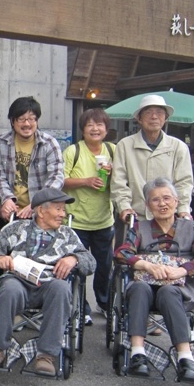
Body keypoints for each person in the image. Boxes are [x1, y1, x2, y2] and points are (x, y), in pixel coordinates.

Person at [0, 188, 95, 376]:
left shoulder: (68, 235)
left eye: (63, 210)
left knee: (61, 289)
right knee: (9, 289)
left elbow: (91, 262)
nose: (63, 214)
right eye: (58, 209)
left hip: (50, 285)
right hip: (18, 281)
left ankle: (46, 355)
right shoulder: (17, 229)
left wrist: (74, 258)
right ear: (41, 211)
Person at [114, 178, 194, 383]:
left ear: (176, 201)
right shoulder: (139, 228)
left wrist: (182, 270)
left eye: (167, 198)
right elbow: (122, 253)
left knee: (168, 292)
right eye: (155, 200)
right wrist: (147, 265)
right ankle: (137, 354)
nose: (162, 204)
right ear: (148, 205)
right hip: (146, 288)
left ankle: (185, 358)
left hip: (180, 290)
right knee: (139, 288)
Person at [111, 94, 193, 243]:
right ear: (139, 118)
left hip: (168, 218)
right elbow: (119, 182)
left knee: (169, 255)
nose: (154, 116)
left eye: (159, 113)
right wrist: (124, 207)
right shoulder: (125, 145)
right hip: (135, 217)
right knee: (127, 255)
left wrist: (183, 209)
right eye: (148, 112)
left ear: (165, 118)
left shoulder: (178, 147)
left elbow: (184, 183)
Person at [62, 108, 115, 323]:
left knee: (104, 266)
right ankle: (81, 307)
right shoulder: (73, 151)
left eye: (99, 124)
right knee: (79, 267)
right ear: (83, 129)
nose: (95, 129)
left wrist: (113, 172)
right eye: (89, 125)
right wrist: (86, 181)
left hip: (104, 219)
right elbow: (61, 180)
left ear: (106, 129)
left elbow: (124, 178)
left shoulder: (113, 150)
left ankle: (104, 303)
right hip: (77, 220)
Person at [0, 96, 64, 223]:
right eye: (21, 119)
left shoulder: (49, 143)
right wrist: (7, 199)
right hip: (12, 211)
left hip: (41, 212)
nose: (27, 124)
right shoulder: (0, 142)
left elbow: (56, 177)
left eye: (31, 119)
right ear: (12, 121)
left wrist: (37, 202)